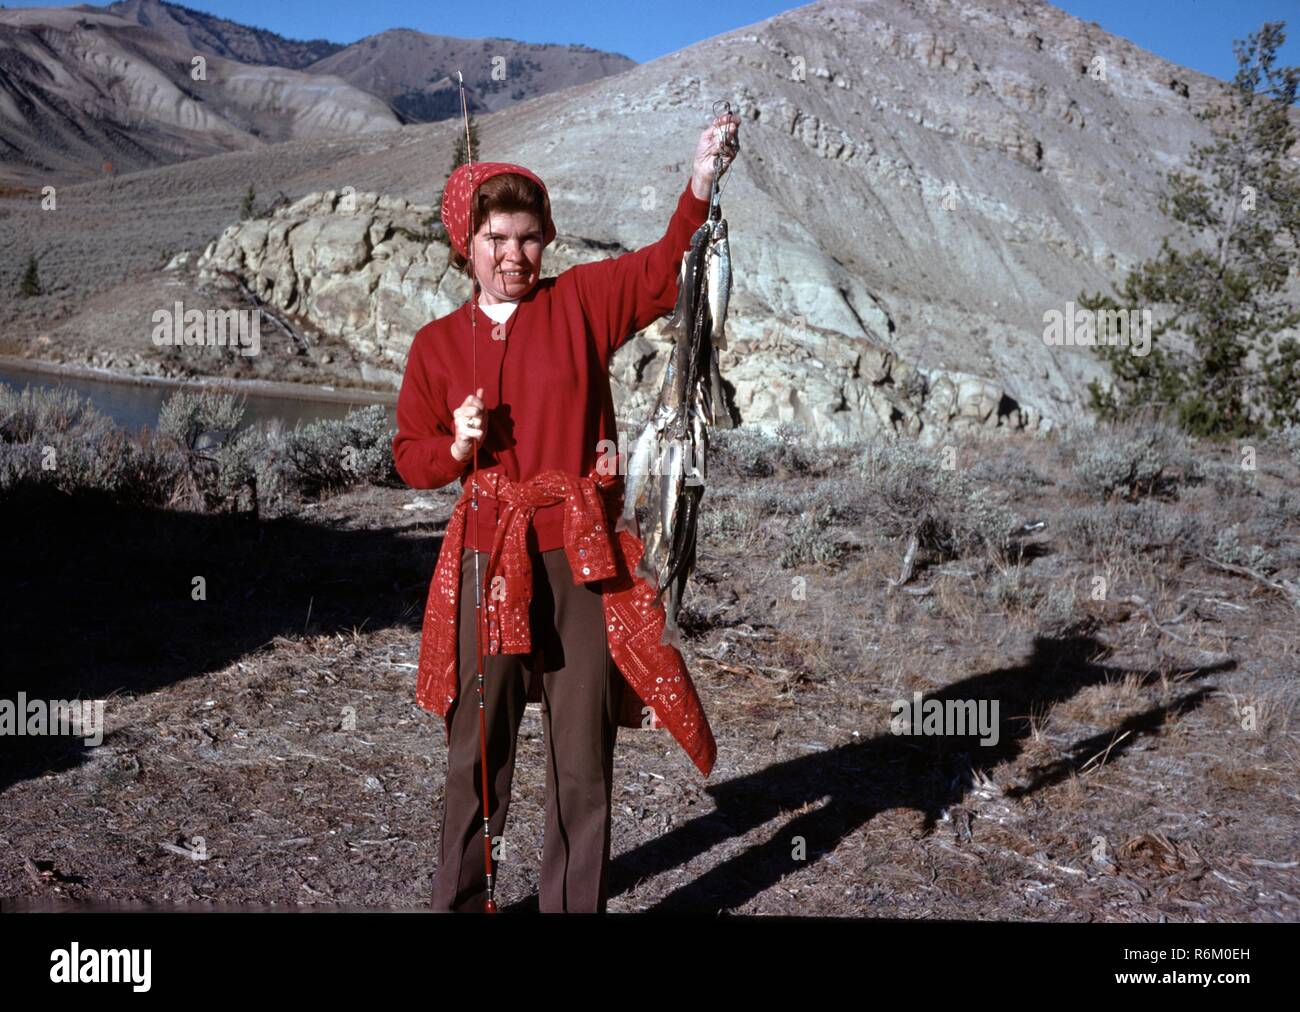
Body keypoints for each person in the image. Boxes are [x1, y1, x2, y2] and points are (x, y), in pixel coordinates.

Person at [392, 111, 739, 913]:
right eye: (497, 240)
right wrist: (454, 445)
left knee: (583, 758)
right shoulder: (436, 346)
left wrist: (700, 181)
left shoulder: (581, 302)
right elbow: (409, 453)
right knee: (477, 752)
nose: (516, 256)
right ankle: (460, 900)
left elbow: (662, 270)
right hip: (487, 556)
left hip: (579, 559)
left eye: (529, 238)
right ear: (465, 246)